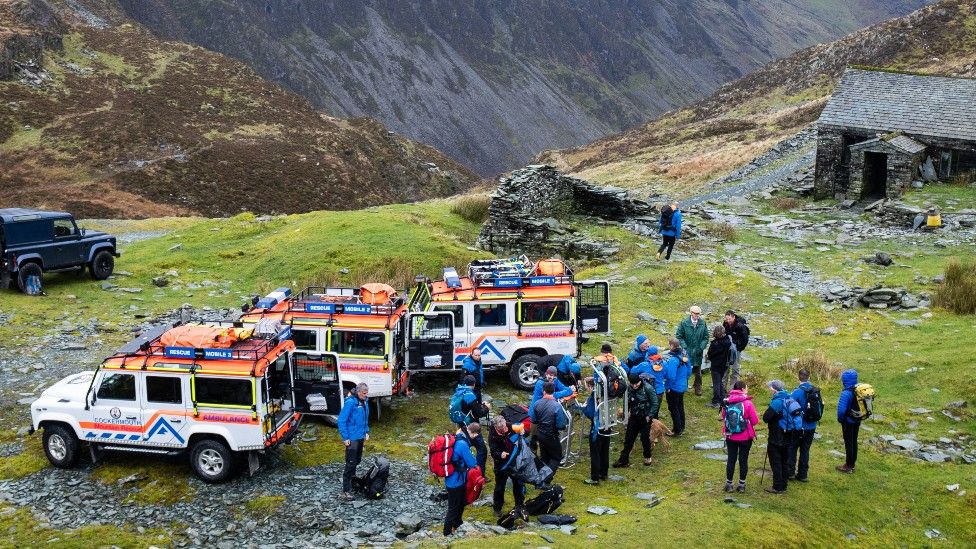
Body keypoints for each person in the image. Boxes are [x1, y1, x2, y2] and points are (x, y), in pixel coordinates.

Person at [721, 380, 759, 493]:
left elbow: (724, 417)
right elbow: (755, 421)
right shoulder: (747, 403)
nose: (747, 390)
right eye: (746, 388)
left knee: (731, 460)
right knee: (743, 460)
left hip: (731, 436)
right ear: (742, 389)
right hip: (745, 437)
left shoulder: (727, 402)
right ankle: (741, 485)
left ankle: (729, 484)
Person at [613, 374, 659, 467]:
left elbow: (655, 403)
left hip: (645, 418)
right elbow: (627, 402)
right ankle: (623, 460)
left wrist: (650, 415)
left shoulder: (648, 388)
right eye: (632, 384)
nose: (634, 386)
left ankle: (647, 457)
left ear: (640, 381)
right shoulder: (629, 388)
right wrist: (625, 415)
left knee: (644, 439)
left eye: (636, 384)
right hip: (633, 417)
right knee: (628, 439)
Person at [443, 422, 481, 536]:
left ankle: (457, 524)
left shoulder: (458, 436)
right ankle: (446, 533)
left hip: (451, 479)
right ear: (473, 434)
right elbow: (472, 463)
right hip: (456, 481)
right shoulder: (462, 444)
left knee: (459, 503)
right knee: (453, 507)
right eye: (475, 436)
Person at [452, 375, 491, 473]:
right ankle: (479, 473)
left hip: (460, 424)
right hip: (471, 426)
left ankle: (465, 468)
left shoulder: (459, 391)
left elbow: (468, 407)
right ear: (473, 384)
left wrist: (479, 406)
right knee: (482, 450)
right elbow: (479, 413)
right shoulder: (470, 395)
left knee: (465, 446)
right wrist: (487, 408)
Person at [338, 383, 370, 501]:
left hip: (360, 436)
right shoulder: (351, 403)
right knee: (350, 463)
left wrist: (366, 431)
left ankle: (352, 481)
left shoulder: (365, 402)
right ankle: (346, 490)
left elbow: (366, 418)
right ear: (358, 392)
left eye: (367, 393)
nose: (366, 396)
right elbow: (342, 420)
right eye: (364, 393)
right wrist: (345, 437)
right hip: (352, 438)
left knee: (357, 460)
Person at [488, 416, 525, 517]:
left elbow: (521, 429)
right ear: (497, 428)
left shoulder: (509, 425)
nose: (505, 429)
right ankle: (497, 508)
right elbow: (493, 452)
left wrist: (522, 432)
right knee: (500, 487)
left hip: (514, 461)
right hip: (501, 464)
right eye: (502, 429)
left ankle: (519, 506)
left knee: (518, 483)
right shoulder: (492, 436)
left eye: (505, 427)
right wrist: (500, 454)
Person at [762, 380, 793, 494]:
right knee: (784, 461)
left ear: (774, 389)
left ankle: (777, 487)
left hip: (777, 436)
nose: (769, 389)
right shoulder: (789, 398)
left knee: (776, 462)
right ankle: (784, 484)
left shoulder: (777, 402)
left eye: (770, 388)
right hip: (789, 435)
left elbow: (766, 418)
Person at [787, 369, 818, 482]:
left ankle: (790, 473)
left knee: (793, 448)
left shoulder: (797, 392)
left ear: (798, 377)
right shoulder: (815, 390)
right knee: (805, 450)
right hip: (812, 425)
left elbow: (790, 408)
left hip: (799, 426)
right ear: (808, 377)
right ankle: (803, 475)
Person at [532, 382, 568, 477]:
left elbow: (534, 420)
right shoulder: (556, 406)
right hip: (551, 435)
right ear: (554, 391)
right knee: (556, 457)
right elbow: (561, 425)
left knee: (544, 457)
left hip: (540, 434)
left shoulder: (537, 403)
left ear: (544, 391)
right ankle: (546, 479)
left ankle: (540, 478)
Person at [581, 379, 612, 485]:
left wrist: (583, 408)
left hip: (596, 428)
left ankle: (594, 477)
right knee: (605, 450)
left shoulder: (593, 397)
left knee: (595, 453)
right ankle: (604, 473)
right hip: (607, 425)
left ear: (590, 386)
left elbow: (590, 413)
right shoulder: (605, 392)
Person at [676, 305, 709, 396]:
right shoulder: (684, 323)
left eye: (699, 314)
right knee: (685, 369)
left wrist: (701, 347)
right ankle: (684, 386)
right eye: (696, 314)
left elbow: (706, 337)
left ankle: (698, 387)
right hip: (687, 351)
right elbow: (679, 336)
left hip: (698, 352)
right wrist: (684, 346)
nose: (697, 315)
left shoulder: (702, 323)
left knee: (698, 372)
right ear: (691, 313)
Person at [836, 369, 862, 474]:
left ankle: (848, 466)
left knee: (849, 442)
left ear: (845, 380)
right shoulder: (859, 390)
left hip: (848, 421)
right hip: (857, 419)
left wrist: (840, 420)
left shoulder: (846, 393)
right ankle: (852, 463)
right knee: (854, 441)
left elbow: (842, 410)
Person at [663, 339, 689, 436]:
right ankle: (682, 426)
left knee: (673, 408)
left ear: (671, 346)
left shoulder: (673, 360)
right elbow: (689, 370)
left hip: (674, 387)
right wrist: (684, 380)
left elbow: (671, 376)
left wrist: (668, 386)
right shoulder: (684, 356)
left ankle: (676, 430)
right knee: (680, 406)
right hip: (682, 386)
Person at [706, 325, 732, 408]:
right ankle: (723, 398)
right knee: (720, 381)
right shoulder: (728, 341)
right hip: (724, 365)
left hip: (716, 365)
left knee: (716, 383)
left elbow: (710, 355)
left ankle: (716, 401)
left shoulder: (715, 343)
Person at [722, 310, 749, 390]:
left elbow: (745, 339)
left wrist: (738, 348)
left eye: (729, 319)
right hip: (727, 349)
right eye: (726, 319)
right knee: (725, 369)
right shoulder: (725, 324)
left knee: (735, 369)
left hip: (736, 350)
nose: (728, 321)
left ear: (733, 317)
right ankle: (722, 389)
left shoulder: (740, 326)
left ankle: (733, 390)